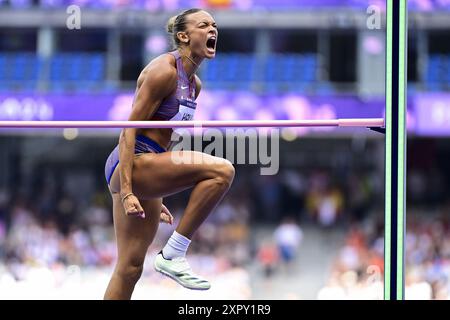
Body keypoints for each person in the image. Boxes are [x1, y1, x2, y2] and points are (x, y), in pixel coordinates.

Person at [103, 8, 235, 299]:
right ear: (184, 36)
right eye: (204, 25)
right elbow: (129, 131)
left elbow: (169, 137)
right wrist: (128, 190)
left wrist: (158, 190)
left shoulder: (194, 85)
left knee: (130, 268)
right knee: (222, 170)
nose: (212, 30)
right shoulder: (164, 71)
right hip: (133, 161)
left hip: (149, 165)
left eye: (214, 25)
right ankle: (173, 254)